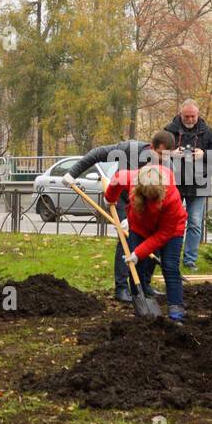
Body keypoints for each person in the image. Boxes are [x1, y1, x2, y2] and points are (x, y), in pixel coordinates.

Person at [61, 130, 177, 303]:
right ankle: (122, 288)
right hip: (123, 198)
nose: (162, 159)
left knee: (155, 241)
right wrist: (72, 174)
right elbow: (97, 154)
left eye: (167, 156)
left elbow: (168, 193)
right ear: (151, 147)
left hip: (148, 204)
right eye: (160, 154)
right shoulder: (129, 149)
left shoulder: (168, 166)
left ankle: (145, 285)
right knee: (125, 240)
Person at [103, 163, 188, 323]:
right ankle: (140, 306)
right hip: (140, 226)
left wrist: (138, 252)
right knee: (136, 267)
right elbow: (117, 179)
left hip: (171, 230)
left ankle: (176, 309)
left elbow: (163, 234)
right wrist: (109, 199)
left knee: (170, 266)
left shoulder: (172, 199)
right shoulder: (131, 179)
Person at [163, 100, 212, 270]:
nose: (190, 119)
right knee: (171, 221)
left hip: (199, 184)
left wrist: (204, 154)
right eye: (186, 116)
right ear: (180, 114)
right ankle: (169, 258)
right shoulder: (169, 131)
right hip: (175, 184)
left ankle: (190, 260)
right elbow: (154, 151)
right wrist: (170, 153)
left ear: (198, 115)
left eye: (193, 116)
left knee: (195, 223)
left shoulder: (207, 132)